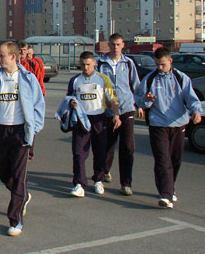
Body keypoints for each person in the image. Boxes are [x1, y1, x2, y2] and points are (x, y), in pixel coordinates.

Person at [0, 41, 45, 237]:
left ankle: (15, 219)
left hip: (20, 132)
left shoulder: (28, 79)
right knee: (4, 173)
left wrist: (33, 130)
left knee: (19, 176)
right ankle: (23, 195)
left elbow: (38, 106)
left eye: (1, 55)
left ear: (13, 57)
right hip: (0, 131)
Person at [134, 47, 202, 209]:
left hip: (178, 124)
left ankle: (170, 187)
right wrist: (146, 99)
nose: (159, 68)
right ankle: (165, 194)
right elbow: (138, 99)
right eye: (157, 65)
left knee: (175, 159)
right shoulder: (150, 79)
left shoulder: (181, 78)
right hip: (158, 124)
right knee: (163, 159)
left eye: (162, 65)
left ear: (170, 61)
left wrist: (196, 112)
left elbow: (191, 99)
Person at [64, 51, 120, 198]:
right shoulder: (75, 80)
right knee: (78, 152)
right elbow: (68, 99)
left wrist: (116, 115)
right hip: (81, 120)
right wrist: (71, 103)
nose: (86, 67)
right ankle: (79, 183)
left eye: (88, 64)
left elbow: (113, 99)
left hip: (99, 119)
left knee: (100, 151)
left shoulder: (103, 79)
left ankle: (98, 180)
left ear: (94, 63)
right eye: (83, 64)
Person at [97, 33, 141, 195]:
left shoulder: (128, 63)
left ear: (123, 45)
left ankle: (126, 183)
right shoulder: (101, 63)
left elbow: (136, 86)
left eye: (118, 44)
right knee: (107, 145)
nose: (115, 47)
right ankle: (103, 172)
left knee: (128, 147)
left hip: (127, 109)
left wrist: (139, 104)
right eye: (113, 44)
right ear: (109, 45)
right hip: (107, 111)